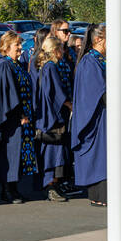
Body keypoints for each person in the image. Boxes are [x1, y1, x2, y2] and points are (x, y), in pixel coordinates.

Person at [0, 31, 38, 203]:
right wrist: (19, 114)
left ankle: (14, 188)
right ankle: (7, 190)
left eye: (19, 44)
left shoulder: (16, 64)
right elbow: (8, 95)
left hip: (21, 117)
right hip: (11, 119)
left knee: (17, 154)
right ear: (6, 47)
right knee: (10, 153)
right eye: (16, 44)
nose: (20, 48)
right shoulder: (5, 65)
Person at [71, 25, 109, 205]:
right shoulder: (90, 61)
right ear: (98, 40)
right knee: (99, 156)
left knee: (106, 156)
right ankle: (99, 197)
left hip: (104, 116)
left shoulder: (102, 59)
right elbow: (97, 91)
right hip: (95, 116)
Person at [34, 36, 72, 202]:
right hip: (52, 118)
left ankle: (54, 186)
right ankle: (51, 187)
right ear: (56, 51)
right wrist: (70, 105)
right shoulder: (51, 67)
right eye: (61, 49)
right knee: (53, 152)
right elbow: (57, 93)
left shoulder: (46, 66)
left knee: (56, 152)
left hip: (50, 115)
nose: (63, 52)